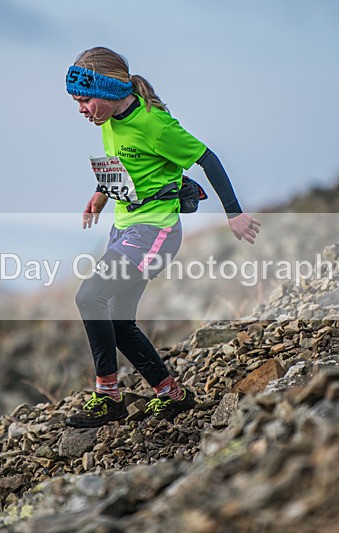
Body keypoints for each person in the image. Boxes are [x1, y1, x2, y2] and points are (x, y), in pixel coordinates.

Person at [64, 47, 260, 428]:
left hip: (156, 231)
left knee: (89, 296)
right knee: (119, 321)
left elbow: (208, 159)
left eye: (85, 100)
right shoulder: (107, 122)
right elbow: (120, 165)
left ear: (107, 90)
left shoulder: (156, 126)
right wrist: (99, 197)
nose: (81, 110)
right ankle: (172, 394)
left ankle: (107, 396)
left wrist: (233, 213)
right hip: (124, 228)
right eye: (76, 102)